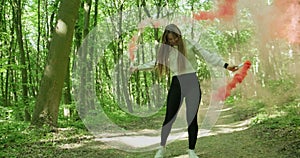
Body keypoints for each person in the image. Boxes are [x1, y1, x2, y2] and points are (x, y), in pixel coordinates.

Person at [131, 24, 237, 158]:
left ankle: (191, 150)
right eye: (170, 39)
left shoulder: (189, 43)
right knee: (169, 117)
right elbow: (155, 63)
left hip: (192, 82)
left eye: (175, 38)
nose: (174, 41)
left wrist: (226, 65)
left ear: (179, 35)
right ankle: (162, 148)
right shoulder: (167, 50)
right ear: (166, 39)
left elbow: (207, 56)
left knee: (191, 118)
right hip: (177, 84)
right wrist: (137, 68)